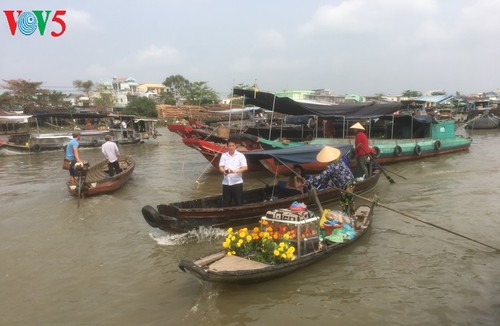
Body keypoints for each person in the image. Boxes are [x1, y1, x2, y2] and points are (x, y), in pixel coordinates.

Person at [219, 139, 248, 207]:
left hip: (237, 182)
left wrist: (235, 171)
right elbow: (220, 167)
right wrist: (224, 171)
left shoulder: (240, 155)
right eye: (230, 146)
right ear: (227, 147)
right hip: (226, 182)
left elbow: (245, 167)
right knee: (226, 203)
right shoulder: (224, 155)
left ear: (235, 146)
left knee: (239, 202)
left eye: (233, 146)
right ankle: (227, 216)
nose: (231, 147)